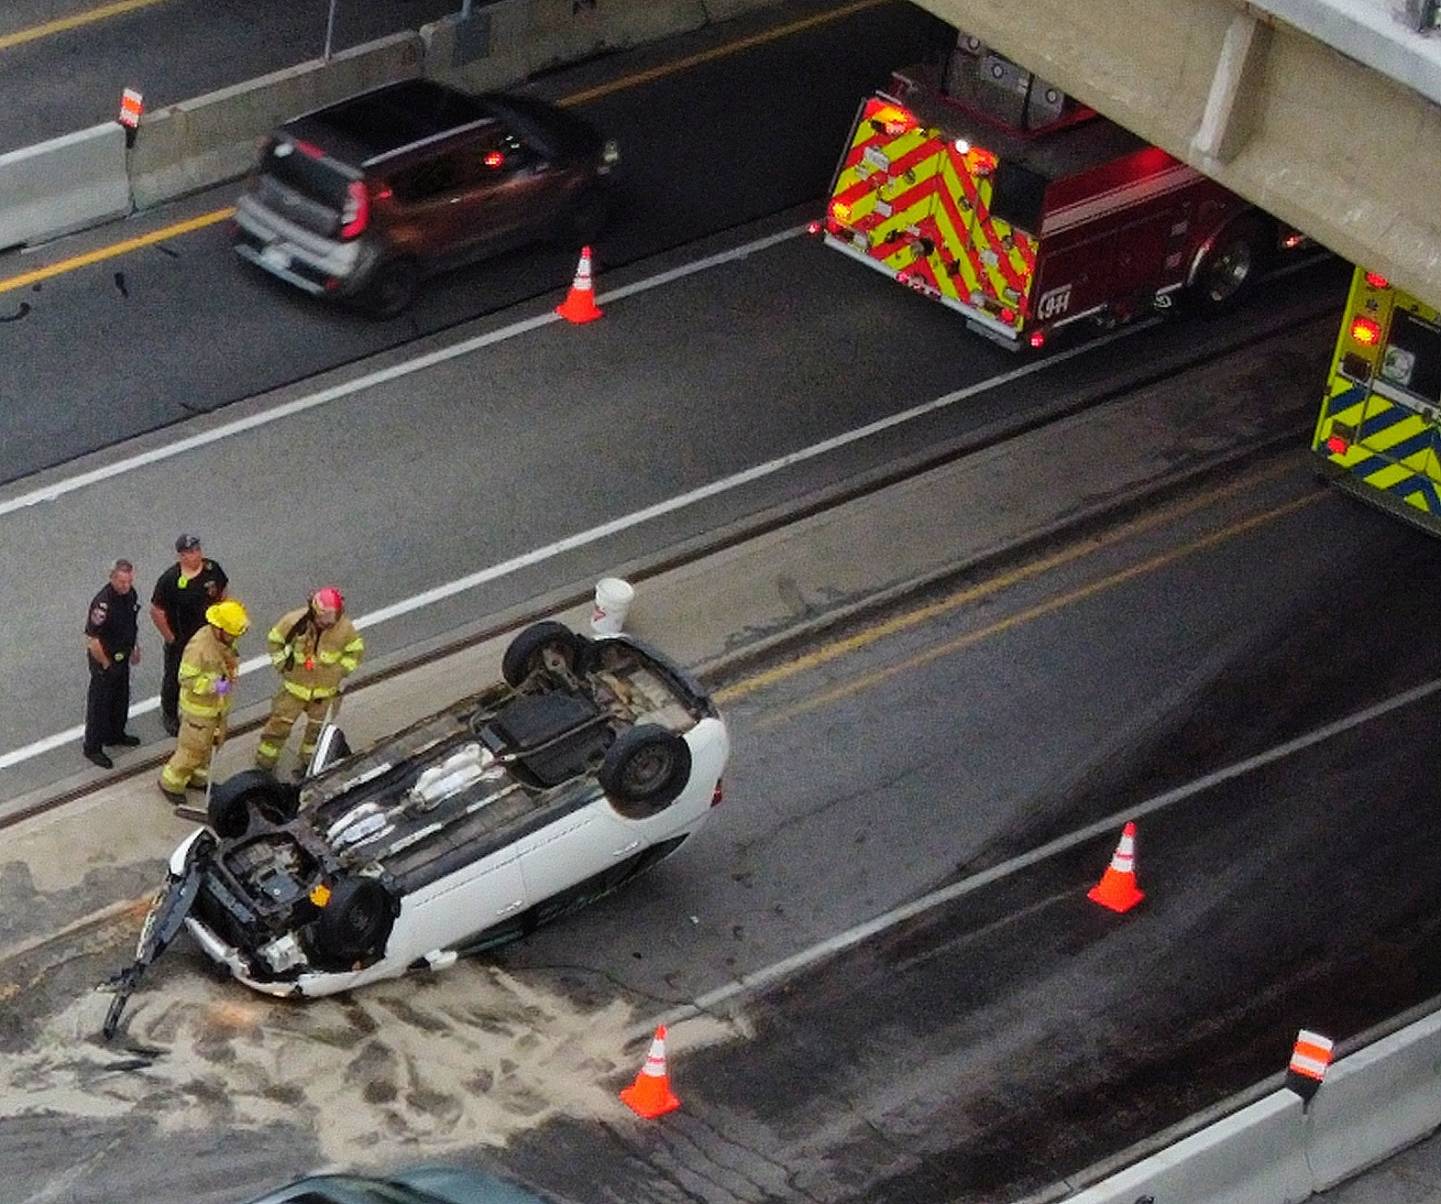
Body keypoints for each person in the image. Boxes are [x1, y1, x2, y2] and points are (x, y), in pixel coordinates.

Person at [256, 587, 364, 774]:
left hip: (324, 694)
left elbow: (355, 651)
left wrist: (341, 671)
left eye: (331, 619)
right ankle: (265, 763)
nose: (327, 624)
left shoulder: (345, 629)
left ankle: (310, 764)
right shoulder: (294, 621)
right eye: (323, 619)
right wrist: (282, 665)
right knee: (278, 727)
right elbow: (275, 640)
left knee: (317, 733)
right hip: (294, 689)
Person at [158, 599, 248, 805]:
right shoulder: (199, 647)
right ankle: (171, 784)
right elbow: (186, 679)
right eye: (232, 634)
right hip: (199, 711)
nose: (235, 638)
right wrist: (214, 685)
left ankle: (198, 779)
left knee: (209, 747)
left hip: (216, 708)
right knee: (191, 750)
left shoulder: (224, 641)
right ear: (219, 628)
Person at [150, 535, 228, 737]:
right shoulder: (170, 580)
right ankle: (169, 713)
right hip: (182, 639)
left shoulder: (212, 570)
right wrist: (171, 638)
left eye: (197, 550)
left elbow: (223, 594)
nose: (196, 555)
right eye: (190, 552)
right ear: (181, 556)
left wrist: (222, 622)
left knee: (213, 669)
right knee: (174, 677)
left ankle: (214, 701)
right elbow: (157, 611)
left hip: (209, 636)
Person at [83, 559, 142, 770]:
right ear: (112, 578)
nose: (126, 586)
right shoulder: (102, 604)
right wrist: (106, 664)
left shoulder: (130, 595)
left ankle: (115, 734)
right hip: (105, 660)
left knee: (120, 698)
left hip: (122, 656)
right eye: (122, 582)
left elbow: (131, 624)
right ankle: (92, 747)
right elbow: (93, 640)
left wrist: (134, 647)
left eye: (129, 581)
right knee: (100, 705)